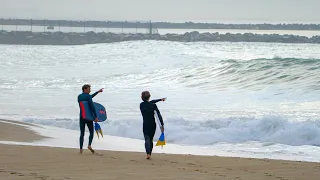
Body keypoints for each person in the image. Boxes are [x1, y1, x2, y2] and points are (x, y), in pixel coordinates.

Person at [77, 84, 103, 154]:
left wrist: (97, 92)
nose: (90, 90)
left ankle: (81, 149)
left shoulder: (79, 96)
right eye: (89, 89)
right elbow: (92, 106)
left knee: (82, 133)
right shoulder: (88, 96)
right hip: (88, 117)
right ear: (85, 89)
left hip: (82, 116)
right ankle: (89, 145)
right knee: (91, 132)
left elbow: (89, 97)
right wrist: (95, 117)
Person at [139, 91, 166, 159]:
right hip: (152, 125)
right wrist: (161, 126)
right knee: (150, 139)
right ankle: (149, 153)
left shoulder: (141, 105)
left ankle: (148, 153)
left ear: (142, 97)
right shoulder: (153, 105)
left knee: (146, 138)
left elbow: (150, 102)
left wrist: (160, 99)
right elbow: (158, 116)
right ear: (149, 97)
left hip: (145, 124)